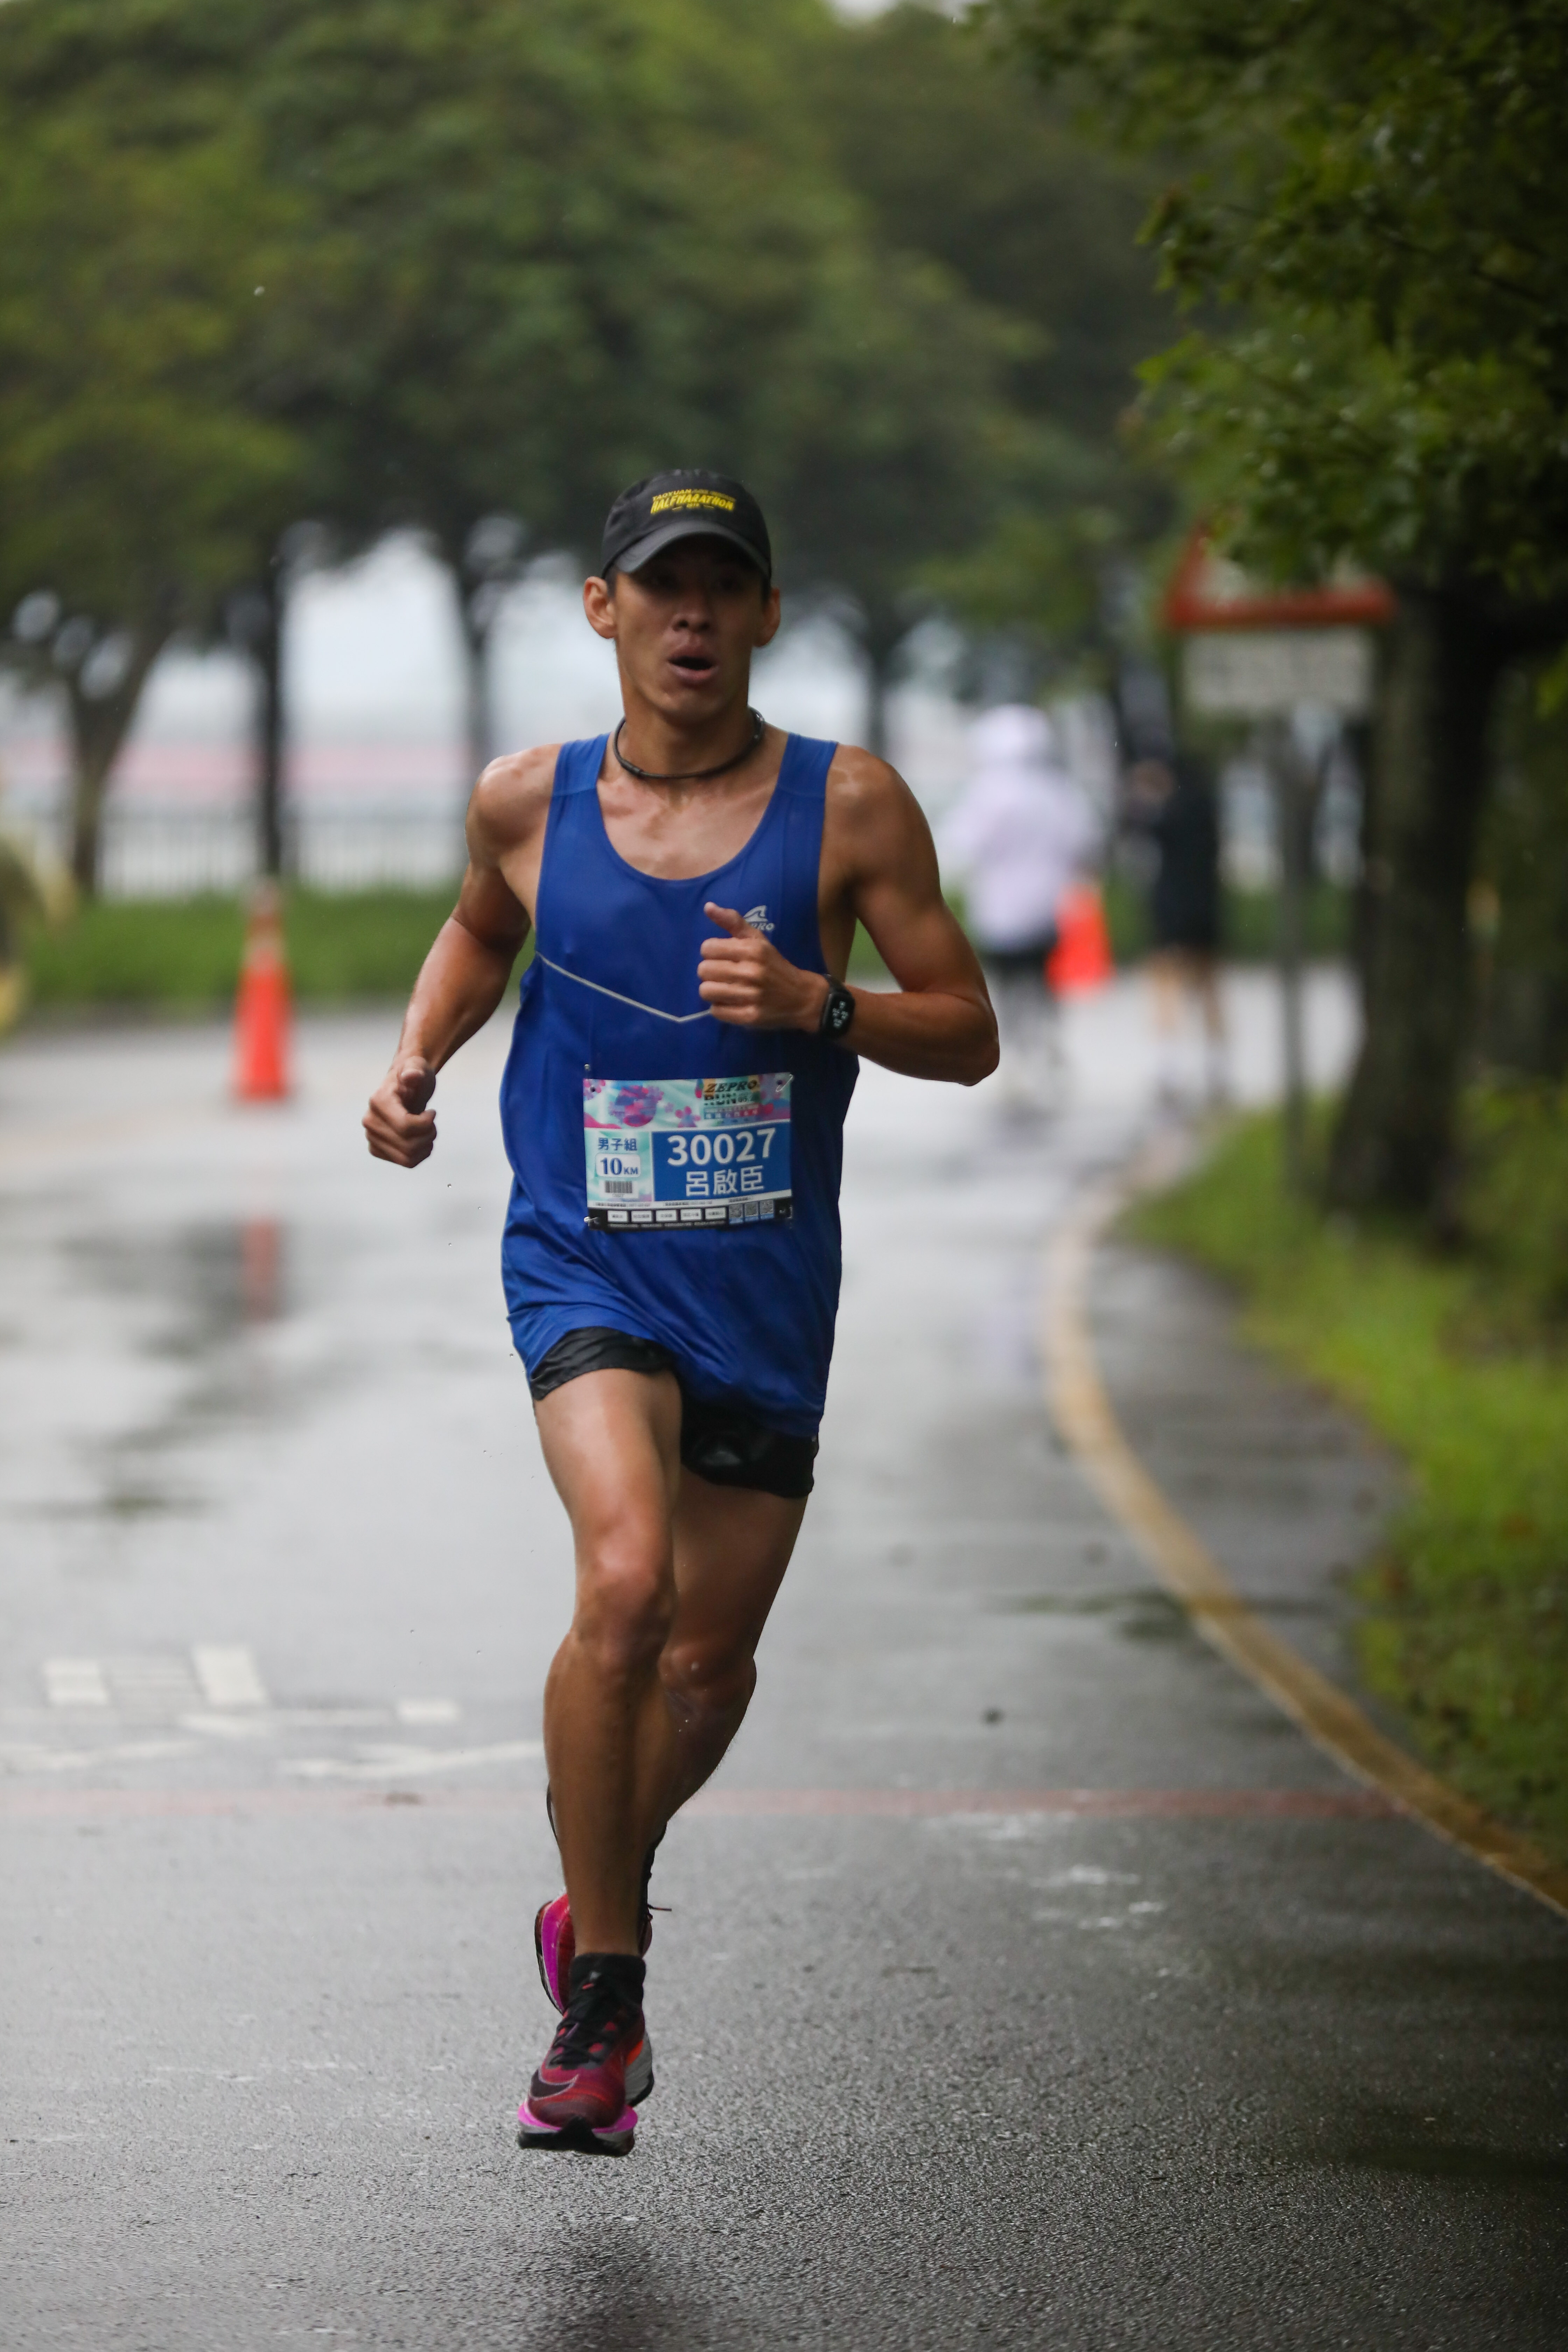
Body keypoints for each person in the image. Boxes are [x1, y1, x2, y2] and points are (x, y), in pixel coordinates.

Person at [362, 469, 997, 2155]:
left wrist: (822, 1005)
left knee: (709, 1663)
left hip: (763, 1289)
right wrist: (416, 1061)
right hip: (585, 1261)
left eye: (723, 587)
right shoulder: (527, 802)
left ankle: (594, 1886)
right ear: (605, 610)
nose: (692, 615)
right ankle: (607, 2000)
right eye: (661, 586)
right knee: (628, 1584)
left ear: (768, 615)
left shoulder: (852, 807)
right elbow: (475, 936)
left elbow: (969, 1027)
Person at [938, 704, 1095, 1111]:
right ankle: (1046, 1046)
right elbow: (1083, 840)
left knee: (1006, 987)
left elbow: (961, 845)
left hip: (1000, 910)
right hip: (1048, 907)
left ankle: (1015, 1059)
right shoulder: (1056, 790)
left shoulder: (988, 793)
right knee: (1043, 982)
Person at [1124, 749, 1227, 1105]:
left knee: (1165, 985)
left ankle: (1168, 1069)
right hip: (1206, 909)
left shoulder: (1167, 813)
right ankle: (1217, 1066)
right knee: (1208, 987)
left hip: (1171, 912)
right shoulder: (1207, 810)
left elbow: (1138, 830)